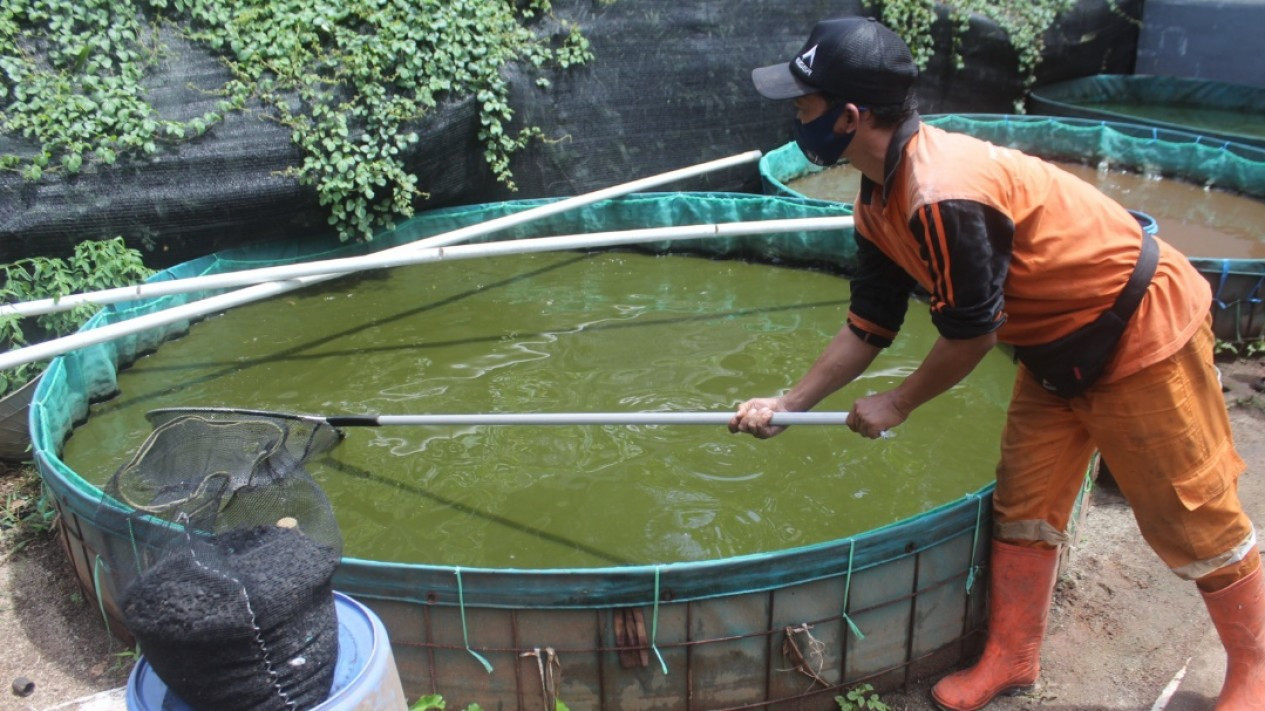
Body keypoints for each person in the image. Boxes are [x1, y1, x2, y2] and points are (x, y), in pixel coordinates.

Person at [729, 15, 1262, 711]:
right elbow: (869, 322)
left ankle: (1252, 670)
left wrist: (896, 403)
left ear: (849, 115)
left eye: (802, 106)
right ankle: (1013, 654)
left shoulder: (940, 193)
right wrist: (790, 401)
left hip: (1137, 333)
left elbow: (971, 332)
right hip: (1052, 349)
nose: (794, 119)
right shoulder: (875, 194)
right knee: (1025, 502)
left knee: (1190, 512)